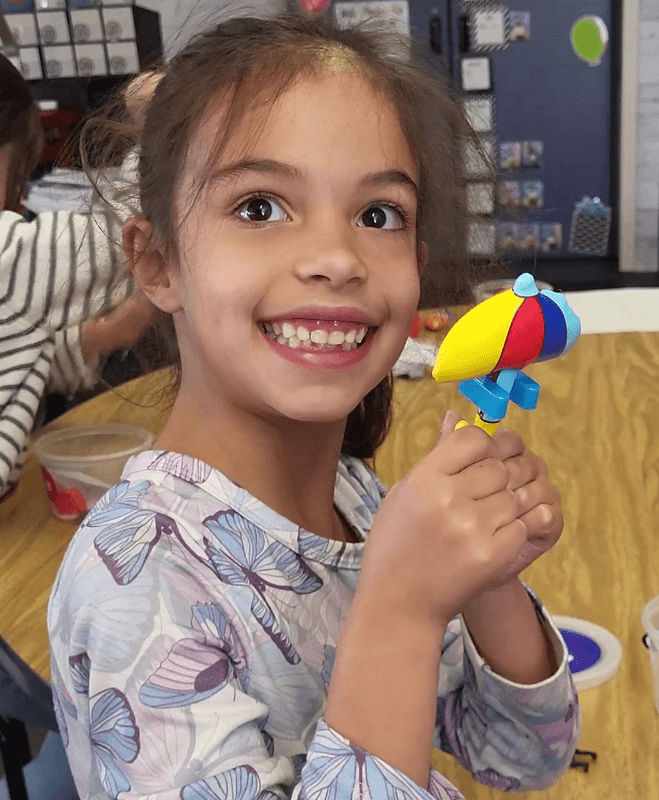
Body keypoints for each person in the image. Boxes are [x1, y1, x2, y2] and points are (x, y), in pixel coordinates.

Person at [47, 13, 580, 800]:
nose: (336, 258)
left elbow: (522, 758)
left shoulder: (356, 497)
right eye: (260, 207)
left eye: (378, 215)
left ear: (415, 264)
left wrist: (487, 579)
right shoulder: (134, 584)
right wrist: (401, 608)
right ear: (158, 263)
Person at [0, 53, 155, 500]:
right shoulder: (9, 254)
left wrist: (95, 338)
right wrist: (152, 122)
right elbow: (125, 232)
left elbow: (12, 356)